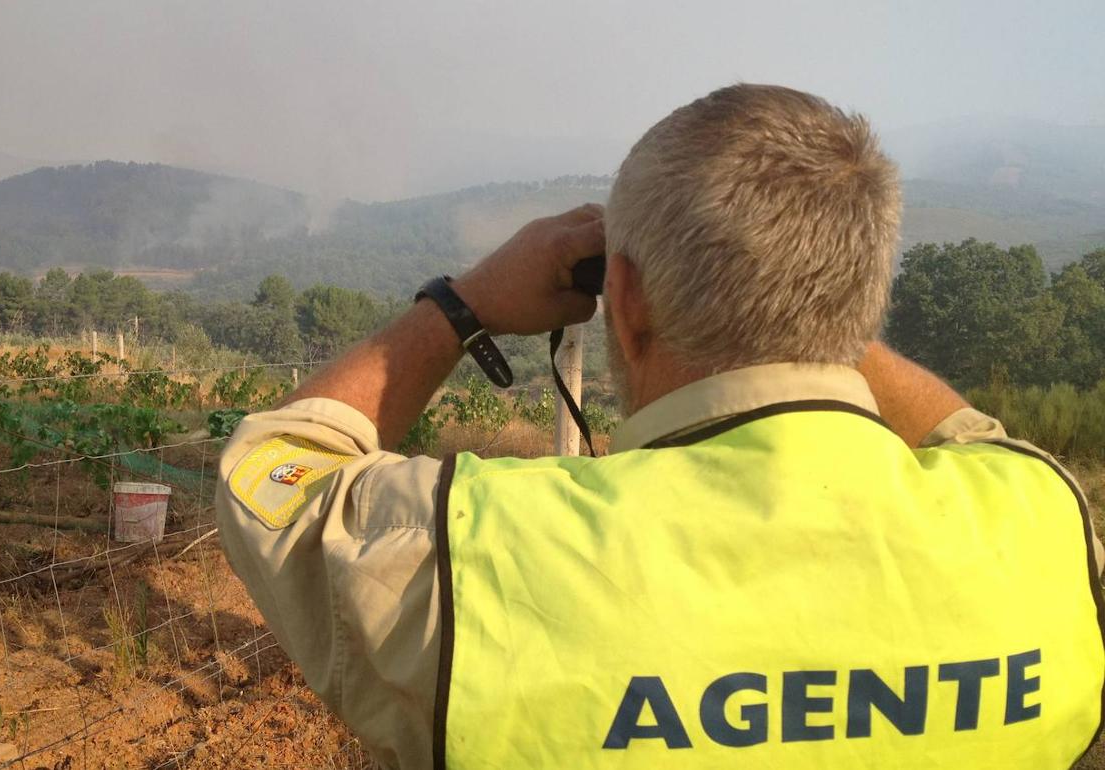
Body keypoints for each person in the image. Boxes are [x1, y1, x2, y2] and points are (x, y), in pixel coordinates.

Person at [215, 84, 1105, 769]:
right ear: (861, 296)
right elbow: (968, 432)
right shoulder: (1041, 526)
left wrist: (461, 303)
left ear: (626, 299)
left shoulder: (482, 553)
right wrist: (816, 310)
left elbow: (276, 464)